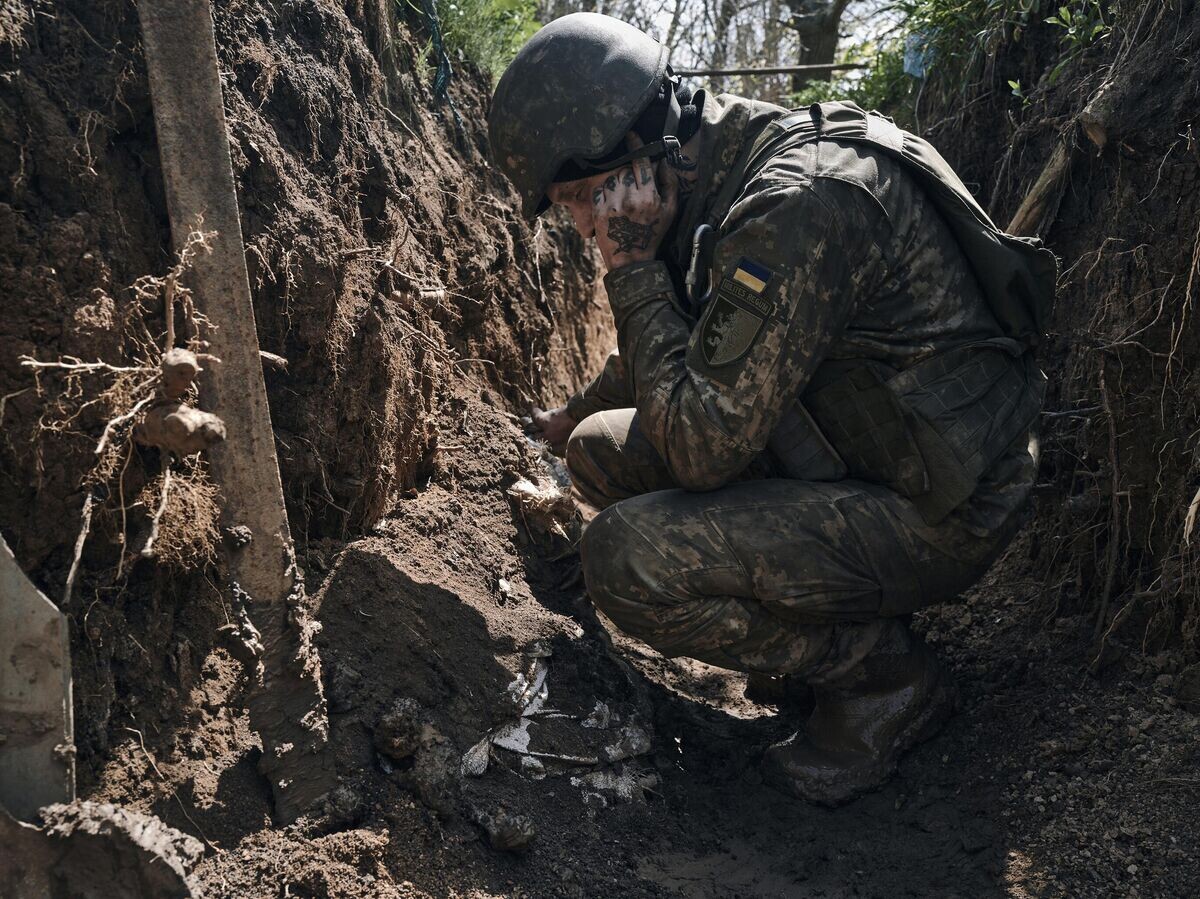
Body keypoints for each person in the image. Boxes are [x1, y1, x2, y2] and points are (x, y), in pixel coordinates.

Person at [489, 13, 1055, 805]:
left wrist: (631, 269)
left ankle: (884, 682)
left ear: (632, 156)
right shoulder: (712, 168)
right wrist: (567, 412)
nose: (586, 229)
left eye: (582, 201)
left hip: (941, 504)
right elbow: (700, 334)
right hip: (864, 453)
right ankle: (801, 622)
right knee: (595, 445)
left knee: (624, 558)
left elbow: (700, 450)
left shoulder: (792, 207)